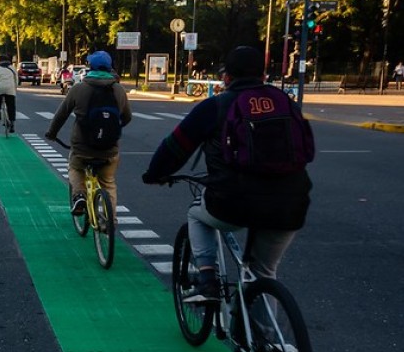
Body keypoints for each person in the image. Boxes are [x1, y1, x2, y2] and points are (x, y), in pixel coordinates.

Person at [141, 46, 313, 302]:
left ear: (226, 77)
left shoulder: (215, 107)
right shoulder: (284, 102)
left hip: (234, 201)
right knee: (263, 272)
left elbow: (175, 147)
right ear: (264, 76)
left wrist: (155, 174)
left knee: (196, 215)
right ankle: (266, 340)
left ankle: (207, 279)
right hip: (291, 201)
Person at [45, 51, 132, 216]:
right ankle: (111, 221)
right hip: (109, 149)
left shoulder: (78, 88)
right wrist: (112, 130)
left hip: (82, 147)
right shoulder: (118, 90)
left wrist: (52, 133)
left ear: (89, 67)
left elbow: (61, 115)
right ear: (110, 68)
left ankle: (79, 195)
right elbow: (127, 117)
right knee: (108, 182)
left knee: (75, 168)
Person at [0, 54, 18, 132]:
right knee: (11, 107)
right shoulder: (13, 68)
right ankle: (12, 124)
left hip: (0, 89)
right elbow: (16, 81)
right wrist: (14, 89)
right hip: (10, 90)